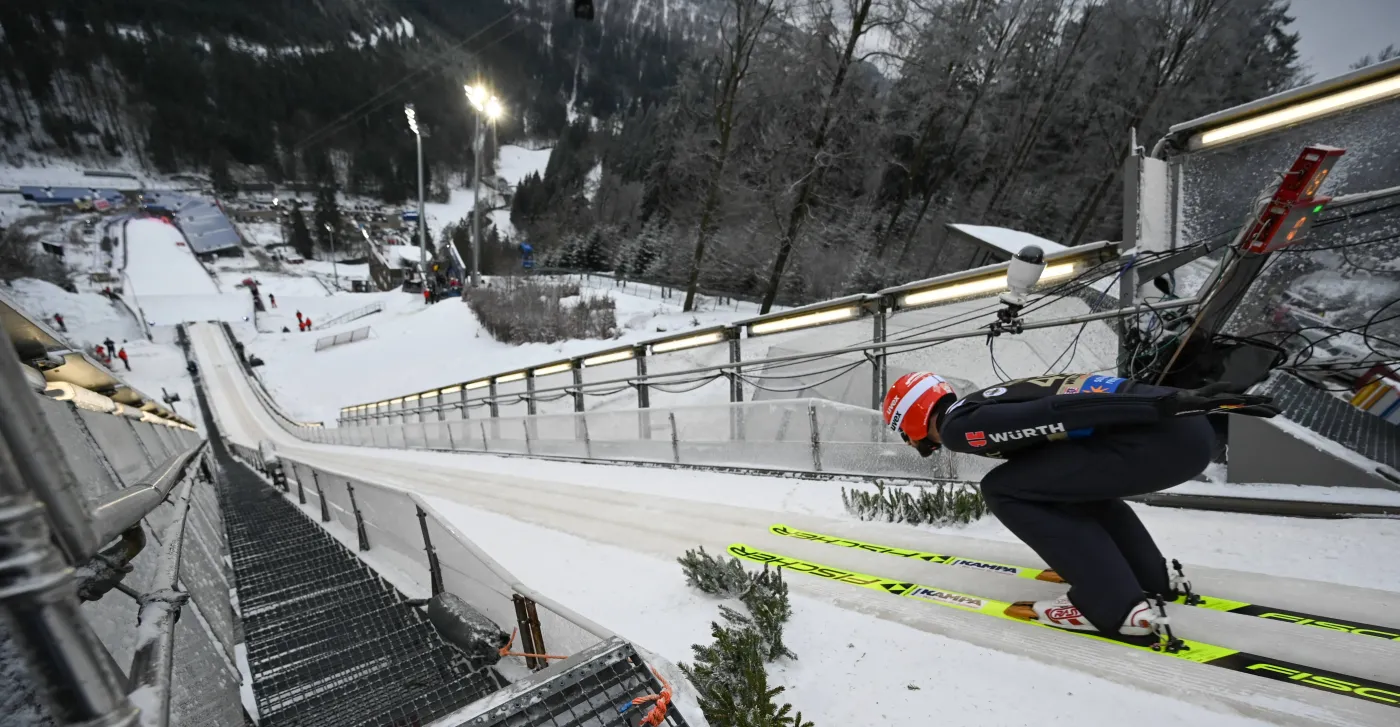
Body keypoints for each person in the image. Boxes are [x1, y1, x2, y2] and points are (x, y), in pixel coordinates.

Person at [882, 371, 1278, 638]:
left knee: (1003, 489)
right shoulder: (980, 402)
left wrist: (1163, 404)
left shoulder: (959, 427)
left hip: (1159, 432)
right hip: (1180, 430)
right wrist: (1169, 400)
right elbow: (1077, 397)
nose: (907, 439)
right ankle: (1151, 579)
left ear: (911, 417)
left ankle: (1111, 604)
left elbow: (1055, 412)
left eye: (903, 430)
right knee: (1056, 484)